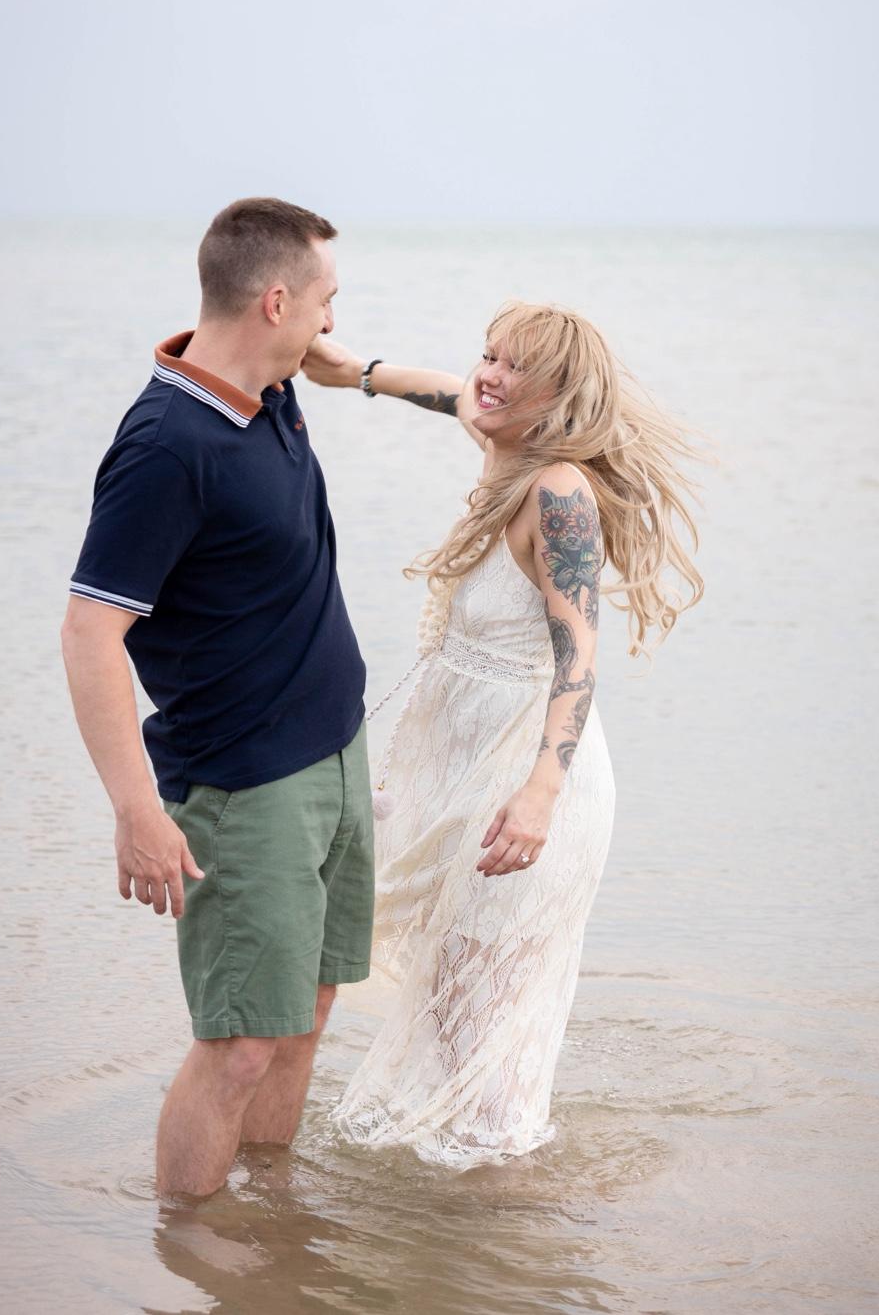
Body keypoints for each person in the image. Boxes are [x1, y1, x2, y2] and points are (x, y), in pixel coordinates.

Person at [301, 301, 703, 1167]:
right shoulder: (502, 446)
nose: (488, 376)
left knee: (483, 1009)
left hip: (527, 783)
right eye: (489, 354)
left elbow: (579, 657)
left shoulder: (557, 491)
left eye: (516, 366)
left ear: (558, 395)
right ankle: (473, 1197)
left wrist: (539, 797)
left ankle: (506, 1197)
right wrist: (355, 372)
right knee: (451, 996)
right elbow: (446, 391)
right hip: (465, 769)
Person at [60, 197, 374, 1198]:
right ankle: (188, 1245)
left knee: (306, 1010)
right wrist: (135, 811)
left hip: (336, 753)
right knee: (239, 1043)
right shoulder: (166, 448)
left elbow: (299, 353)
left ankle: (272, 1224)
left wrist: (350, 369)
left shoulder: (270, 390)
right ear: (274, 301)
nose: (332, 322)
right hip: (244, 784)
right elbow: (89, 631)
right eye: (324, 301)